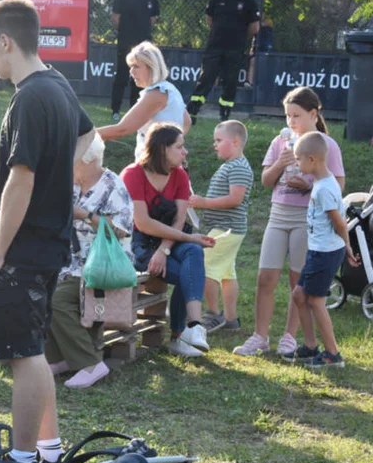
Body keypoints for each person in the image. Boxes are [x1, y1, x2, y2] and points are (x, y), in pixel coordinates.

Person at [0, 0, 94, 463]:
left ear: (6, 42)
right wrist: (59, 173)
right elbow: (88, 137)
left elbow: (20, 179)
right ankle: (48, 448)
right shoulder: (59, 84)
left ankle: (22, 460)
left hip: (24, 247)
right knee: (34, 352)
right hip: (51, 242)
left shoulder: (29, 96)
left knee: (22, 357)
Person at [236, 87, 345, 357]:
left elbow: (337, 185)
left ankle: (289, 336)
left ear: (313, 114)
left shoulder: (325, 145)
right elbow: (265, 181)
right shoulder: (280, 143)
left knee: (297, 280)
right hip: (278, 214)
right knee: (265, 277)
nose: (290, 122)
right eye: (287, 116)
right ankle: (260, 336)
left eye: (296, 116)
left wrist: (307, 188)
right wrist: (280, 164)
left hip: (305, 219)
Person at [46, 134, 134, 389]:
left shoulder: (112, 185)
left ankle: (90, 363)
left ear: (89, 160)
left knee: (58, 300)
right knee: (39, 289)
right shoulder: (71, 184)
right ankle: (59, 357)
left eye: (72, 161)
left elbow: (121, 231)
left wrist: (85, 215)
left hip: (102, 265)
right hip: (68, 261)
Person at [121, 123, 216, 358]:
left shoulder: (180, 175)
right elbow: (143, 222)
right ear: (162, 149)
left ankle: (193, 327)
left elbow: (179, 218)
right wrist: (184, 238)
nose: (185, 152)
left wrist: (164, 250)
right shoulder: (133, 174)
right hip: (139, 241)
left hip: (170, 240)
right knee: (189, 270)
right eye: (179, 147)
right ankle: (179, 335)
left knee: (194, 253)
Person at [280, 132, 359, 367]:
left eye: (298, 159)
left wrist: (346, 245)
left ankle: (332, 354)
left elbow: (339, 222)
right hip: (318, 250)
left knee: (315, 301)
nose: (296, 163)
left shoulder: (324, 188)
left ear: (312, 159)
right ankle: (311, 346)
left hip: (325, 253)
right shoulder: (323, 182)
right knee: (298, 295)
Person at [188, 120, 253, 332]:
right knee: (227, 274)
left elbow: (235, 199)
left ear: (235, 141)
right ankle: (231, 319)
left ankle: (213, 314)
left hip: (227, 228)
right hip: (224, 227)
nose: (214, 144)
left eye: (218, 140)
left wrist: (204, 202)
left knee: (205, 267)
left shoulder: (239, 167)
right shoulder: (229, 166)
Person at [187, 0, 260, 123]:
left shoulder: (249, 2)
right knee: (205, 78)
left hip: (235, 50)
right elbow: (209, 19)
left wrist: (240, 39)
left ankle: (224, 115)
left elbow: (254, 28)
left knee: (230, 82)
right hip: (214, 47)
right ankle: (192, 111)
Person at [97, 41, 190, 162]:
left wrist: (83, 136)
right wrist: (172, 144)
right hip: (168, 164)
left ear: (151, 67)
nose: (131, 72)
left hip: (156, 166)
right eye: (130, 67)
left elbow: (122, 129)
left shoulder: (156, 94)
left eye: (136, 66)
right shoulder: (170, 89)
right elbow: (187, 122)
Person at [110, 0, 160, 121]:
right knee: (122, 77)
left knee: (141, 78)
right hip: (125, 43)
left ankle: (135, 111)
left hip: (144, 46)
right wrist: (126, 33)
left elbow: (153, 18)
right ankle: (115, 111)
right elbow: (115, 18)